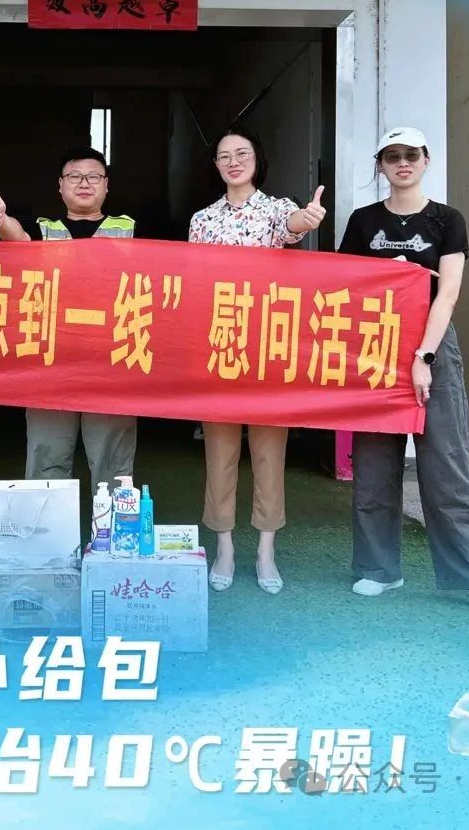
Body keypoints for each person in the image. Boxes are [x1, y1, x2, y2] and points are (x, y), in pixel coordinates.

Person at [339, 126, 469, 625]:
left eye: (411, 154)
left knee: (448, 466)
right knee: (373, 466)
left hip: (432, 344)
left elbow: (447, 293)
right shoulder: (363, 221)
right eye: (392, 156)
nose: (402, 163)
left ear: (426, 160)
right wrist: (390, 275)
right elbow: (346, 285)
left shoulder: (447, 220)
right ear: (381, 165)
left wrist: (423, 356)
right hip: (375, 346)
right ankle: (379, 569)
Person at [189, 127, 326, 595]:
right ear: (215, 165)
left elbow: (293, 227)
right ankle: (224, 546)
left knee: (269, 452)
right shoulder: (202, 220)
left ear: (256, 159)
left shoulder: (276, 208)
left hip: (268, 347)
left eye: (242, 153)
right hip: (220, 346)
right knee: (219, 453)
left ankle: (267, 550)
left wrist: (306, 219)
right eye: (224, 155)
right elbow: (194, 282)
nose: (233, 161)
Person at [0, 146, 136, 490]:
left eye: (93, 176)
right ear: (60, 185)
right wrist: (1, 221)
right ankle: (46, 524)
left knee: (113, 461)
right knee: (46, 455)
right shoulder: (45, 230)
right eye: (75, 176)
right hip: (50, 362)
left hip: (110, 362)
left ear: (106, 185)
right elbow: (18, 238)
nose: (84, 183)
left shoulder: (131, 230)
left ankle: (113, 525)